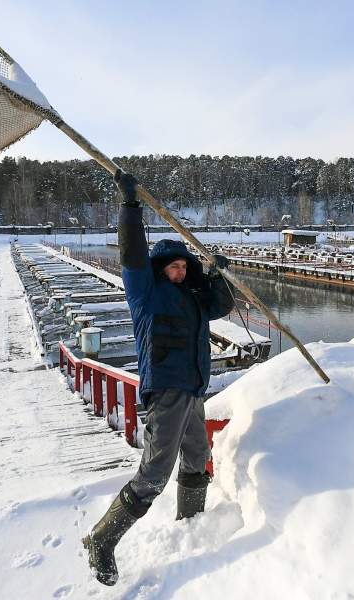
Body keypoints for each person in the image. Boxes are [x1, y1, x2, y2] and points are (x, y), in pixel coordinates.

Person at [83, 171, 235, 586]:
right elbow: (132, 253)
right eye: (174, 266)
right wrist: (130, 206)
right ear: (160, 268)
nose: (181, 271)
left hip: (193, 391)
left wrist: (215, 274)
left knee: (197, 455)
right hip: (165, 392)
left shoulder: (194, 299)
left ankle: (191, 524)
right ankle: (102, 538)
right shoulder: (145, 293)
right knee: (155, 470)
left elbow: (222, 304)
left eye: (185, 266)